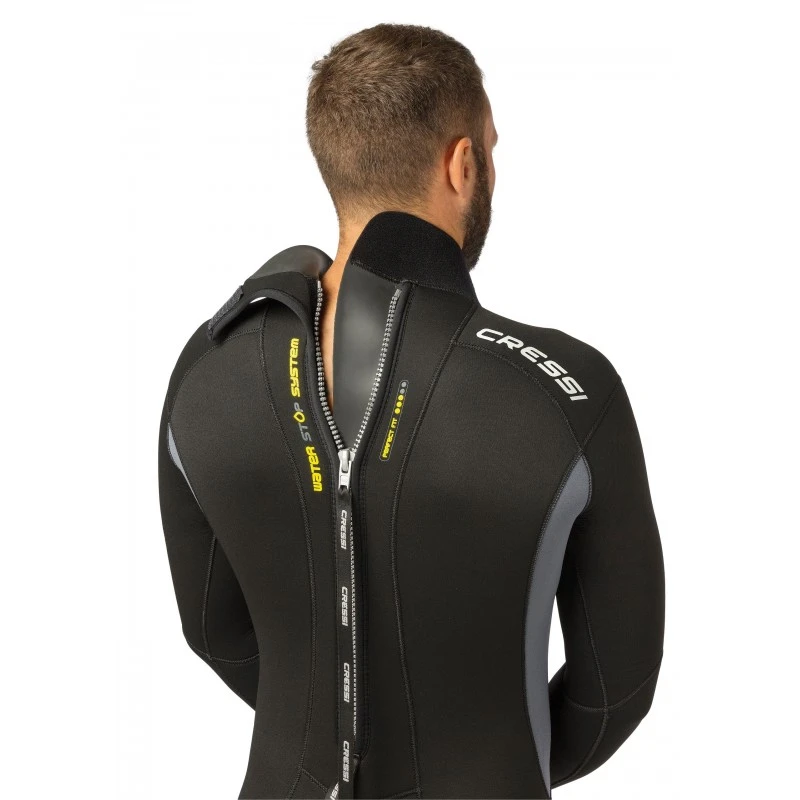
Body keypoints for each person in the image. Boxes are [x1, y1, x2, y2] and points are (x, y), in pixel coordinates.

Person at [158, 22, 665, 800]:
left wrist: (326, 735)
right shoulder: (566, 389)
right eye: (490, 149)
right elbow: (614, 690)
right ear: (463, 164)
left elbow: (216, 632)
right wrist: (497, 760)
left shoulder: (206, 369)